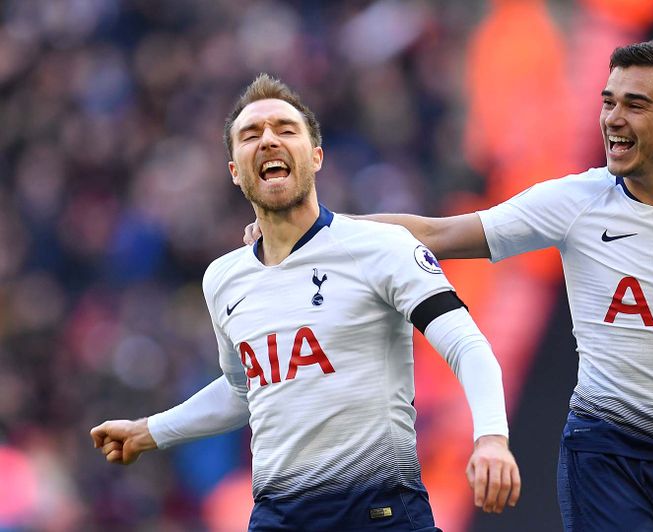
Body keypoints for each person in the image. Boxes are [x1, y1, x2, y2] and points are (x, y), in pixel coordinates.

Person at [245, 41, 653, 531]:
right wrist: (309, 225)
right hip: (606, 451)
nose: (613, 120)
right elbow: (441, 232)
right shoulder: (575, 201)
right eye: (608, 100)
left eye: (635, 105)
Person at [90, 74, 521, 531]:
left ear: (315, 158)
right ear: (235, 171)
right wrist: (149, 431)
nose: (269, 140)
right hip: (279, 518)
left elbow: (466, 345)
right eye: (251, 135)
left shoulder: (380, 248)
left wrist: (491, 436)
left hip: (380, 513)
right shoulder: (224, 279)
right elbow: (243, 390)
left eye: (286, 129)